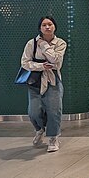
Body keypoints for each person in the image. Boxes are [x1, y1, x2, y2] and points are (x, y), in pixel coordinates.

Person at [21, 16, 67, 152]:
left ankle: (53, 137)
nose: (47, 27)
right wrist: (41, 66)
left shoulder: (60, 43)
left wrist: (44, 45)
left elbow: (56, 61)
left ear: (54, 26)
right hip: (35, 80)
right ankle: (39, 129)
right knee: (33, 112)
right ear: (40, 28)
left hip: (52, 80)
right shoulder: (31, 44)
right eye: (44, 25)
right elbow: (25, 62)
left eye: (50, 24)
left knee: (54, 110)